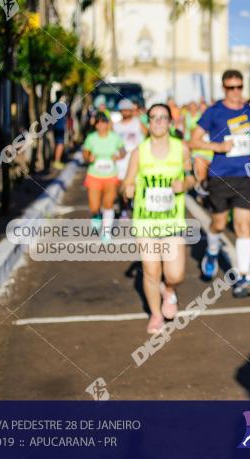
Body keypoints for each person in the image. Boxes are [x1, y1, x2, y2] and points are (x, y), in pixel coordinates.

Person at [123, 103, 194, 334]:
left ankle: (170, 290)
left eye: (163, 118)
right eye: (154, 118)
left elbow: (192, 177)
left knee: (175, 274)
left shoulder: (181, 149)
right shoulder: (139, 152)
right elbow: (127, 181)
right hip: (145, 221)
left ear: (171, 123)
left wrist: (184, 184)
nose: (159, 122)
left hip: (172, 221)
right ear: (148, 122)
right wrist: (128, 188)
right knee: (151, 270)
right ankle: (155, 315)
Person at [189, 70, 250, 298]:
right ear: (223, 88)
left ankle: (244, 275)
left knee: (243, 225)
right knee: (218, 224)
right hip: (220, 176)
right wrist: (218, 147)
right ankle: (211, 250)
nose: (235, 92)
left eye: (239, 86)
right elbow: (193, 140)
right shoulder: (214, 112)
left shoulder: (249, 111)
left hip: (244, 175)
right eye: (231, 87)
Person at [82, 112, 126, 241]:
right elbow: (85, 153)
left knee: (108, 203)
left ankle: (106, 232)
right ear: (95, 125)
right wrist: (88, 158)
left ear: (107, 123)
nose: (101, 125)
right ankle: (96, 216)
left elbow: (123, 150)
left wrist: (119, 155)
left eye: (103, 122)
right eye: (98, 122)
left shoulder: (114, 137)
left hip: (111, 175)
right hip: (94, 175)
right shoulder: (91, 138)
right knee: (94, 206)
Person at [114, 99, 147, 217]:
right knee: (121, 185)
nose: (126, 112)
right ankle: (124, 208)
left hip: (137, 159)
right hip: (121, 161)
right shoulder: (116, 126)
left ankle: (135, 207)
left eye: (128, 110)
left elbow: (148, 135)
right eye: (123, 110)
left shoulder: (138, 123)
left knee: (136, 184)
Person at [51, 93, 68, 170]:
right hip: (60, 128)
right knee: (60, 145)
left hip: (55, 127)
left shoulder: (54, 105)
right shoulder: (62, 106)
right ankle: (57, 161)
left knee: (56, 144)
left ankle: (55, 160)